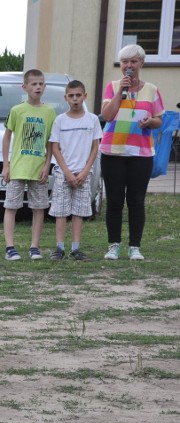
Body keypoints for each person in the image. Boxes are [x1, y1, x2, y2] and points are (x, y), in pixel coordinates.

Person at [99, 44, 164, 261]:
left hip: (141, 153)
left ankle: (134, 246)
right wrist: (120, 92)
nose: (129, 65)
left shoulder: (152, 90)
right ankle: (113, 245)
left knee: (136, 200)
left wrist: (150, 121)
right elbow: (107, 115)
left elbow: (159, 121)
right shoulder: (113, 86)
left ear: (141, 64)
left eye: (133, 61)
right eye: (125, 62)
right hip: (113, 152)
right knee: (115, 200)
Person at [1, 69, 56, 261]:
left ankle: (34, 247)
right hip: (17, 168)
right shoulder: (17, 110)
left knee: (39, 207)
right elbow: (7, 138)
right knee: (11, 206)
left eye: (41, 83)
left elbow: (50, 141)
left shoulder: (49, 112)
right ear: (25, 87)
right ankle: (10, 247)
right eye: (34, 84)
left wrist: (47, 164)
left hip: (38, 168)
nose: (38, 87)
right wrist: (6, 165)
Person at [47, 80, 103, 261]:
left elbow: (95, 147)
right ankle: (60, 247)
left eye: (78, 95)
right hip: (63, 173)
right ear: (66, 98)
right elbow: (55, 148)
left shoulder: (92, 120)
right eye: (71, 96)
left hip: (83, 172)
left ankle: (76, 248)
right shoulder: (60, 120)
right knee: (61, 211)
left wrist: (86, 170)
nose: (75, 99)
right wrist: (67, 173)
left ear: (85, 96)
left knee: (79, 211)